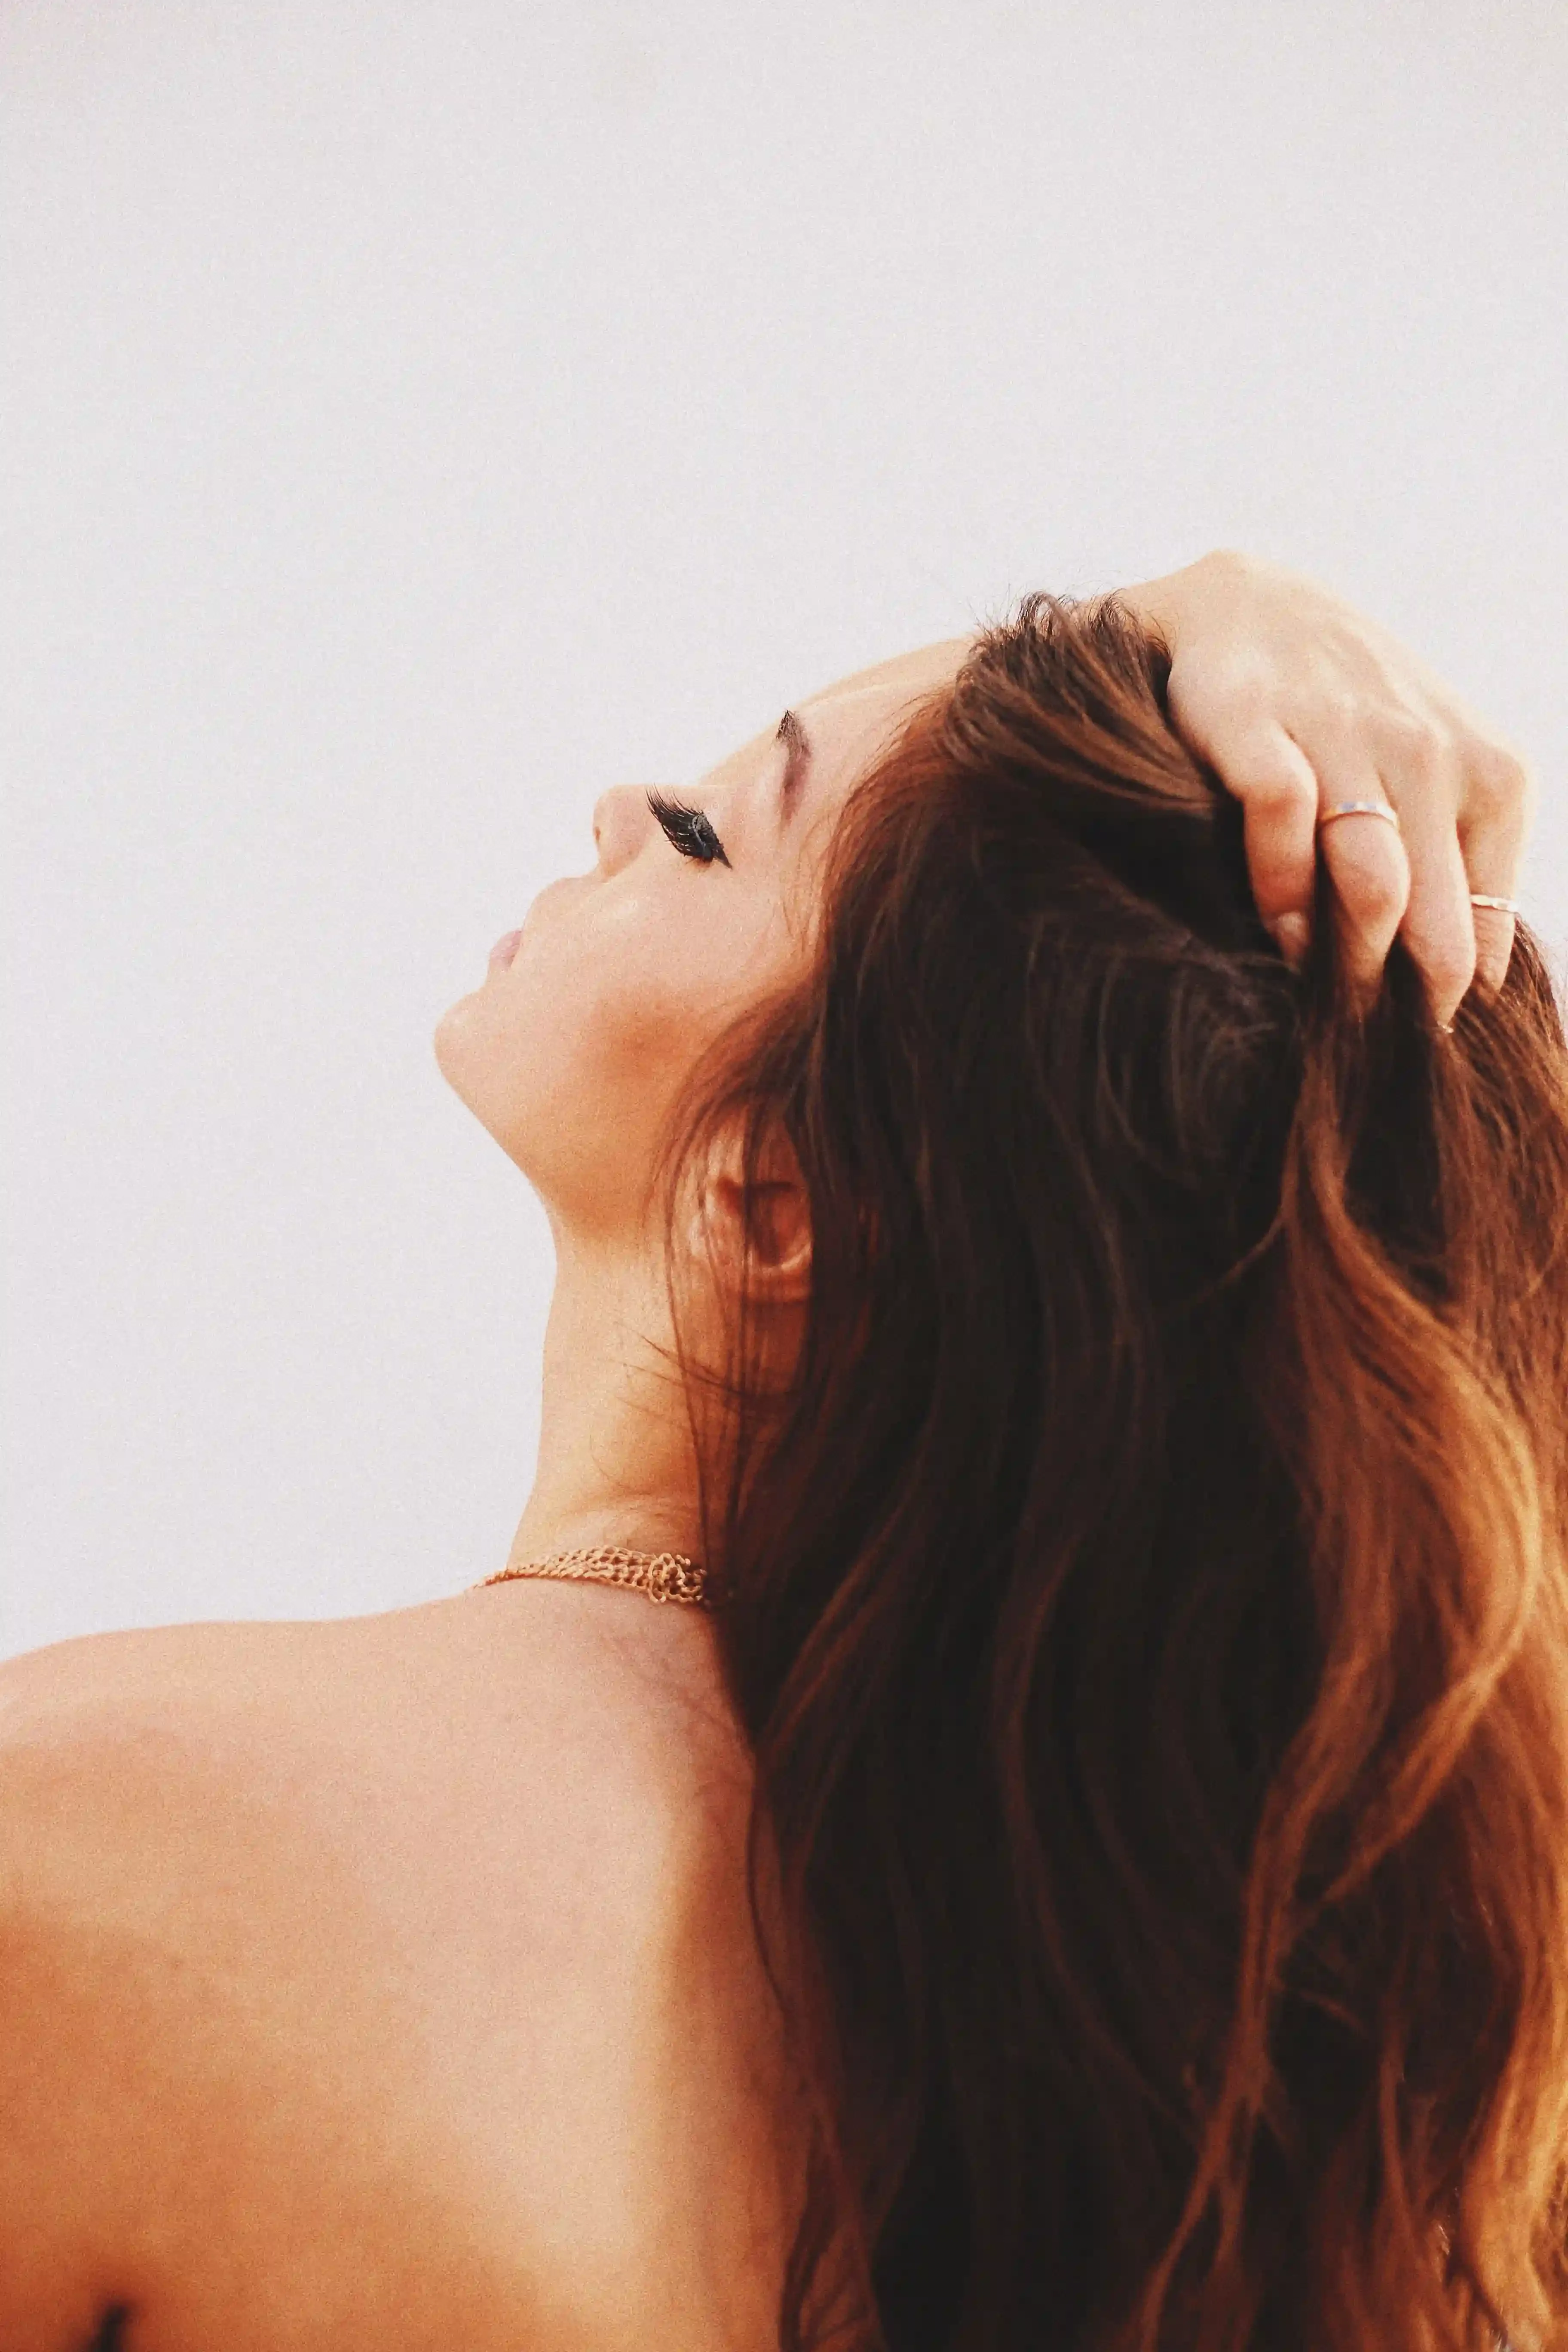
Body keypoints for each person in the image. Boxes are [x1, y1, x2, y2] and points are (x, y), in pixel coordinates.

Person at [0, 550, 1559, 2352]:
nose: (608, 810)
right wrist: (1196, 608)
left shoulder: (134, 1856)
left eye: (698, 830)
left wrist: (1206, 604)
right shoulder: (1295, 2146)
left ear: (775, 1201)